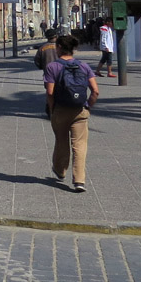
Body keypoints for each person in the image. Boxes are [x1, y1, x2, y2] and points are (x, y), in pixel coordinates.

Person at [44, 34, 99, 192]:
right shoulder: (84, 66)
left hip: (60, 110)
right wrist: (88, 105)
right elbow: (95, 91)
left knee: (61, 141)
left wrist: (52, 108)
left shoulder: (52, 67)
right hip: (80, 110)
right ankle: (79, 180)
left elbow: (50, 92)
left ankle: (60, 171)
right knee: (80, 145)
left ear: (59, 48)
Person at [34, 28, 60, 117]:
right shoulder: (60, 47)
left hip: (48, 73)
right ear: (56, 36)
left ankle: (50, 110)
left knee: (50, 92)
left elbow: (37, 60)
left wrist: (42, 67)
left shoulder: (42, 48)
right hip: (61, 73)